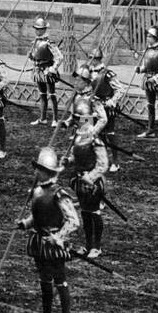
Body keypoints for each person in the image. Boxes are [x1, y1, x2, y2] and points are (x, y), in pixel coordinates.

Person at [17, 146, 79, 313]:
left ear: (47, 172)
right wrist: (25, 224)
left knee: (60, 282)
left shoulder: (59, 193)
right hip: (39, 242)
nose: (36, 171)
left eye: (39, 169)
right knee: (44, 282)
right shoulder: (36, 192)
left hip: (53, 245)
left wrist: (59, 237)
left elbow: (73, 221)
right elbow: (37, 216)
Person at [65, 101, 110, 259]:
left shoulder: (93, 138)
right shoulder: (78, 137)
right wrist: (68, 161)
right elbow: (74, 154)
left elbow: (103, 164)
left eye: (79, 119)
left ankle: (96, 247)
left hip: (92, 183)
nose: (76, 122)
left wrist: (89, 177)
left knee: (93, 213)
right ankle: (88, 244)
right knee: (85, 213)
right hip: (79, 181)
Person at [26, 16, 62, 127]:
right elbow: (36, 56)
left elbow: (59, 57)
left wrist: (54, 68)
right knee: (42, 94)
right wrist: (31, 56)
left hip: (48, 70)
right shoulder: (35, 42)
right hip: (38, 70)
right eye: (36, 29)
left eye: (39, 29)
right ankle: (43, 118)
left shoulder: (49, 42)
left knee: (52, 94)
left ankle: (55, 119)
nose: (37, 31)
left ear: (44, 30)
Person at [136, 25, 158, 141]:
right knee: (150, 106)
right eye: (146, 36)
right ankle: (150, 130)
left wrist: (155, 78)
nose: (147, 38)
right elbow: (146, 66)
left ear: (155, 38)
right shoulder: (146, 51)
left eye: (149, 36)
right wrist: (140, 70)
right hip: (148, 81)